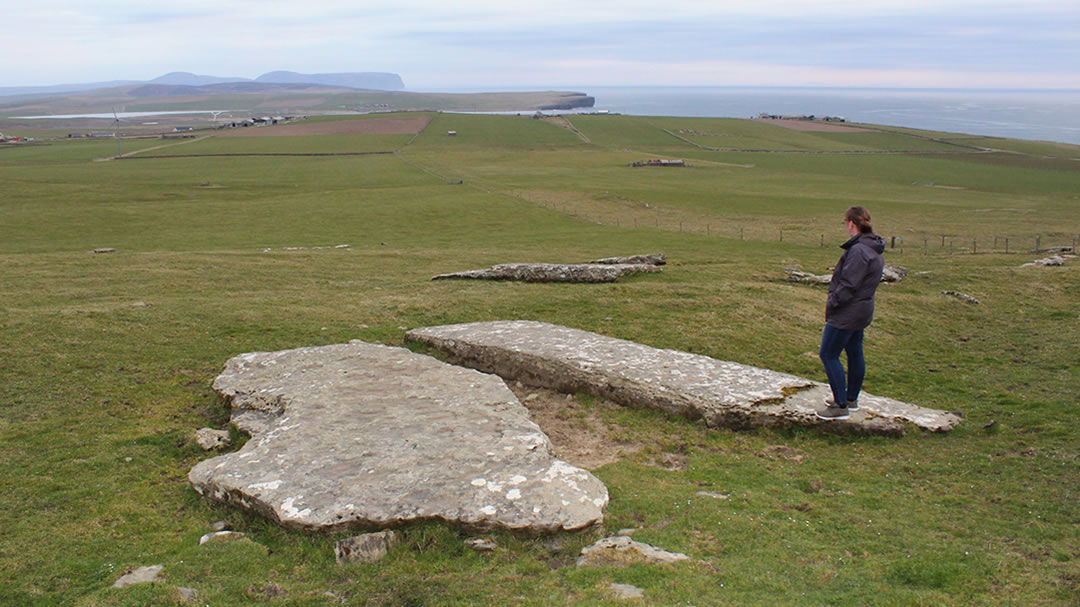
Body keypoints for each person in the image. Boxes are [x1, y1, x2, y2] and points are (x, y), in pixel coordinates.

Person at [817, 206, 885, 420]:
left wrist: (834, 302)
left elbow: (849, 284)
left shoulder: (858, 251)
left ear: (851, 224)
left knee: (828, 354)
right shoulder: (872, 247)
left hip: (848, 311)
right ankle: (851, 398)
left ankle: (840, 405)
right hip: (862, 310)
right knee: (854, 351)